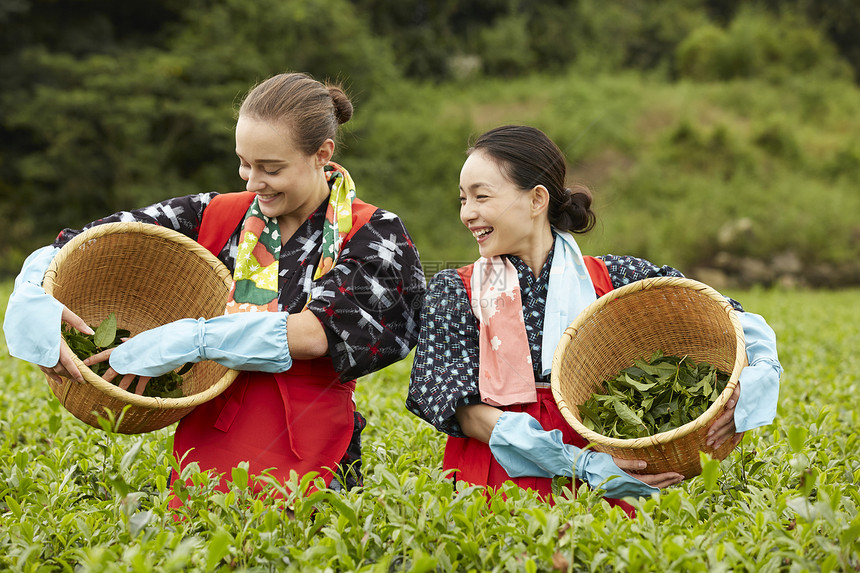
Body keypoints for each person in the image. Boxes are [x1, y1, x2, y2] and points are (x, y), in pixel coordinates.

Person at [4, 72, 426, 502]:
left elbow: (317, 333)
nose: (252, 181)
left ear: (322, 154)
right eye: (244, 162)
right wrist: (32, 294)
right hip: (208, 440)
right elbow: (90, 240)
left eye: (271, 168)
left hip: (313, 444)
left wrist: (195, 338)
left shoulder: (375, 233)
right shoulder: (218, 215)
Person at [406, 125, 781, 515]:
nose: (467, 213)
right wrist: (581, 464)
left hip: (615, 469)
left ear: (536, 199)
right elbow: (462, 408)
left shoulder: (616, 278)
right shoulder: (454, 290)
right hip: (500, 471)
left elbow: (728, 316)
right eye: (463, 199)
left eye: (482, 197)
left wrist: (755, 382)